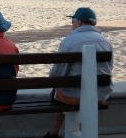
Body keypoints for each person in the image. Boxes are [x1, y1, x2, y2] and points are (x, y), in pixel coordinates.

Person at [44, 7, 113, 138]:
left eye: (73, 21)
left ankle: (55, 133)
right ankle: (60, 132)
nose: (72, 25)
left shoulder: (69, 41)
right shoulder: (106, 42)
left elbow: (56, 76)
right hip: (100, 97)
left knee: (58, 91)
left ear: (79, 22)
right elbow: (109, 69)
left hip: (73, 98)